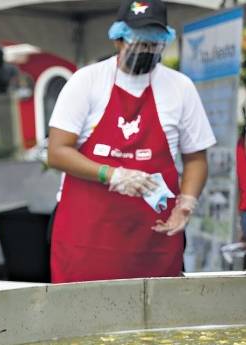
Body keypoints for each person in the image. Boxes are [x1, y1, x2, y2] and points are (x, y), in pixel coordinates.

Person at [47, 0, 216, 283]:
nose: (142, 51)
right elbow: (57, 152)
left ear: (164, 43)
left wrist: (186, 204)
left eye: (152, 44)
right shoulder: (86, 81)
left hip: (154, 239)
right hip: (87, 238)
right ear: (118, 39)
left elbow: (196, 158)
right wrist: (111, 173)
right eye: (136, 42)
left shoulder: (180, 88)